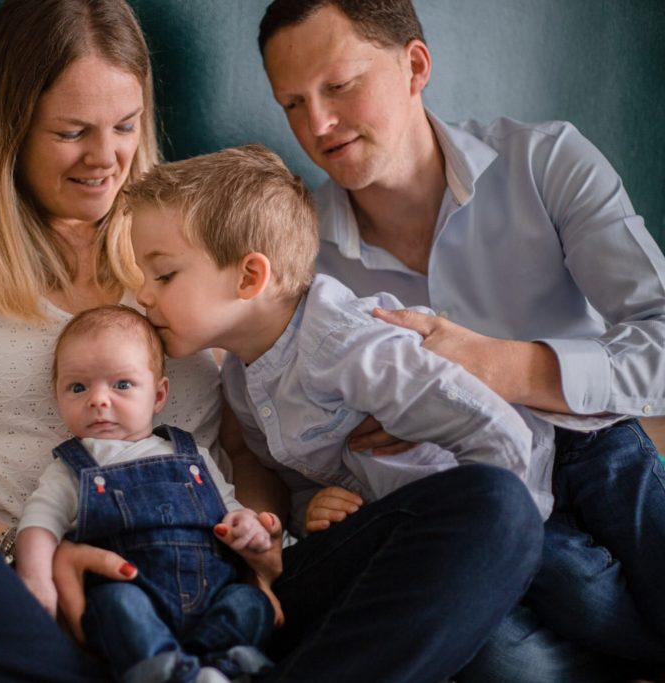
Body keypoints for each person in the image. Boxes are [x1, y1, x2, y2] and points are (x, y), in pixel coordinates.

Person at [0, 1, 543, 682]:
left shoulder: (189, 246)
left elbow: (248, 456)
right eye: (72, 131)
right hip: (23, 595)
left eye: (125, 125)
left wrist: (258, 541)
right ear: (6, 124)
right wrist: (36, 548)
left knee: (495, 508)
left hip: (210, 587)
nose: (105, 156)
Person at [257, 0, 665, 679]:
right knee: (509, 665)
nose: (318, 125)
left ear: (414, 65)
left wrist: (505, 367)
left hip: (597, 452)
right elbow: (301, 448)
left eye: (340, 86)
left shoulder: (546, 160)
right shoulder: (300, 261)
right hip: (466, 506)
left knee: (622, 480)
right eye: (293, 103)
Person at [127, 142, 553, 533]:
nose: (144, 294)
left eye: (163, 275)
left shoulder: (350, 346)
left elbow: (496, 430)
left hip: (517, 502)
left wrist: (498, 539)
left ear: (249, 276)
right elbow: (294, 483)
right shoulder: (242, 382)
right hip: (407, 527)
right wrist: (313, 511)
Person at [17, 304, 278, 683]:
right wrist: (36, 578)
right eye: (78, 387)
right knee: (114, 607)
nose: (99, 400)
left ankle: (216, 665)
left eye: (121, 384)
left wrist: (247, 525)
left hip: (210, 591)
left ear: (158, 396)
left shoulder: (192, 455)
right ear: (58, 397)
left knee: (250, 602)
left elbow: (230, 509)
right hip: (132, 591)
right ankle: (176, 673)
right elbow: (39, 523)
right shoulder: (73, 466)